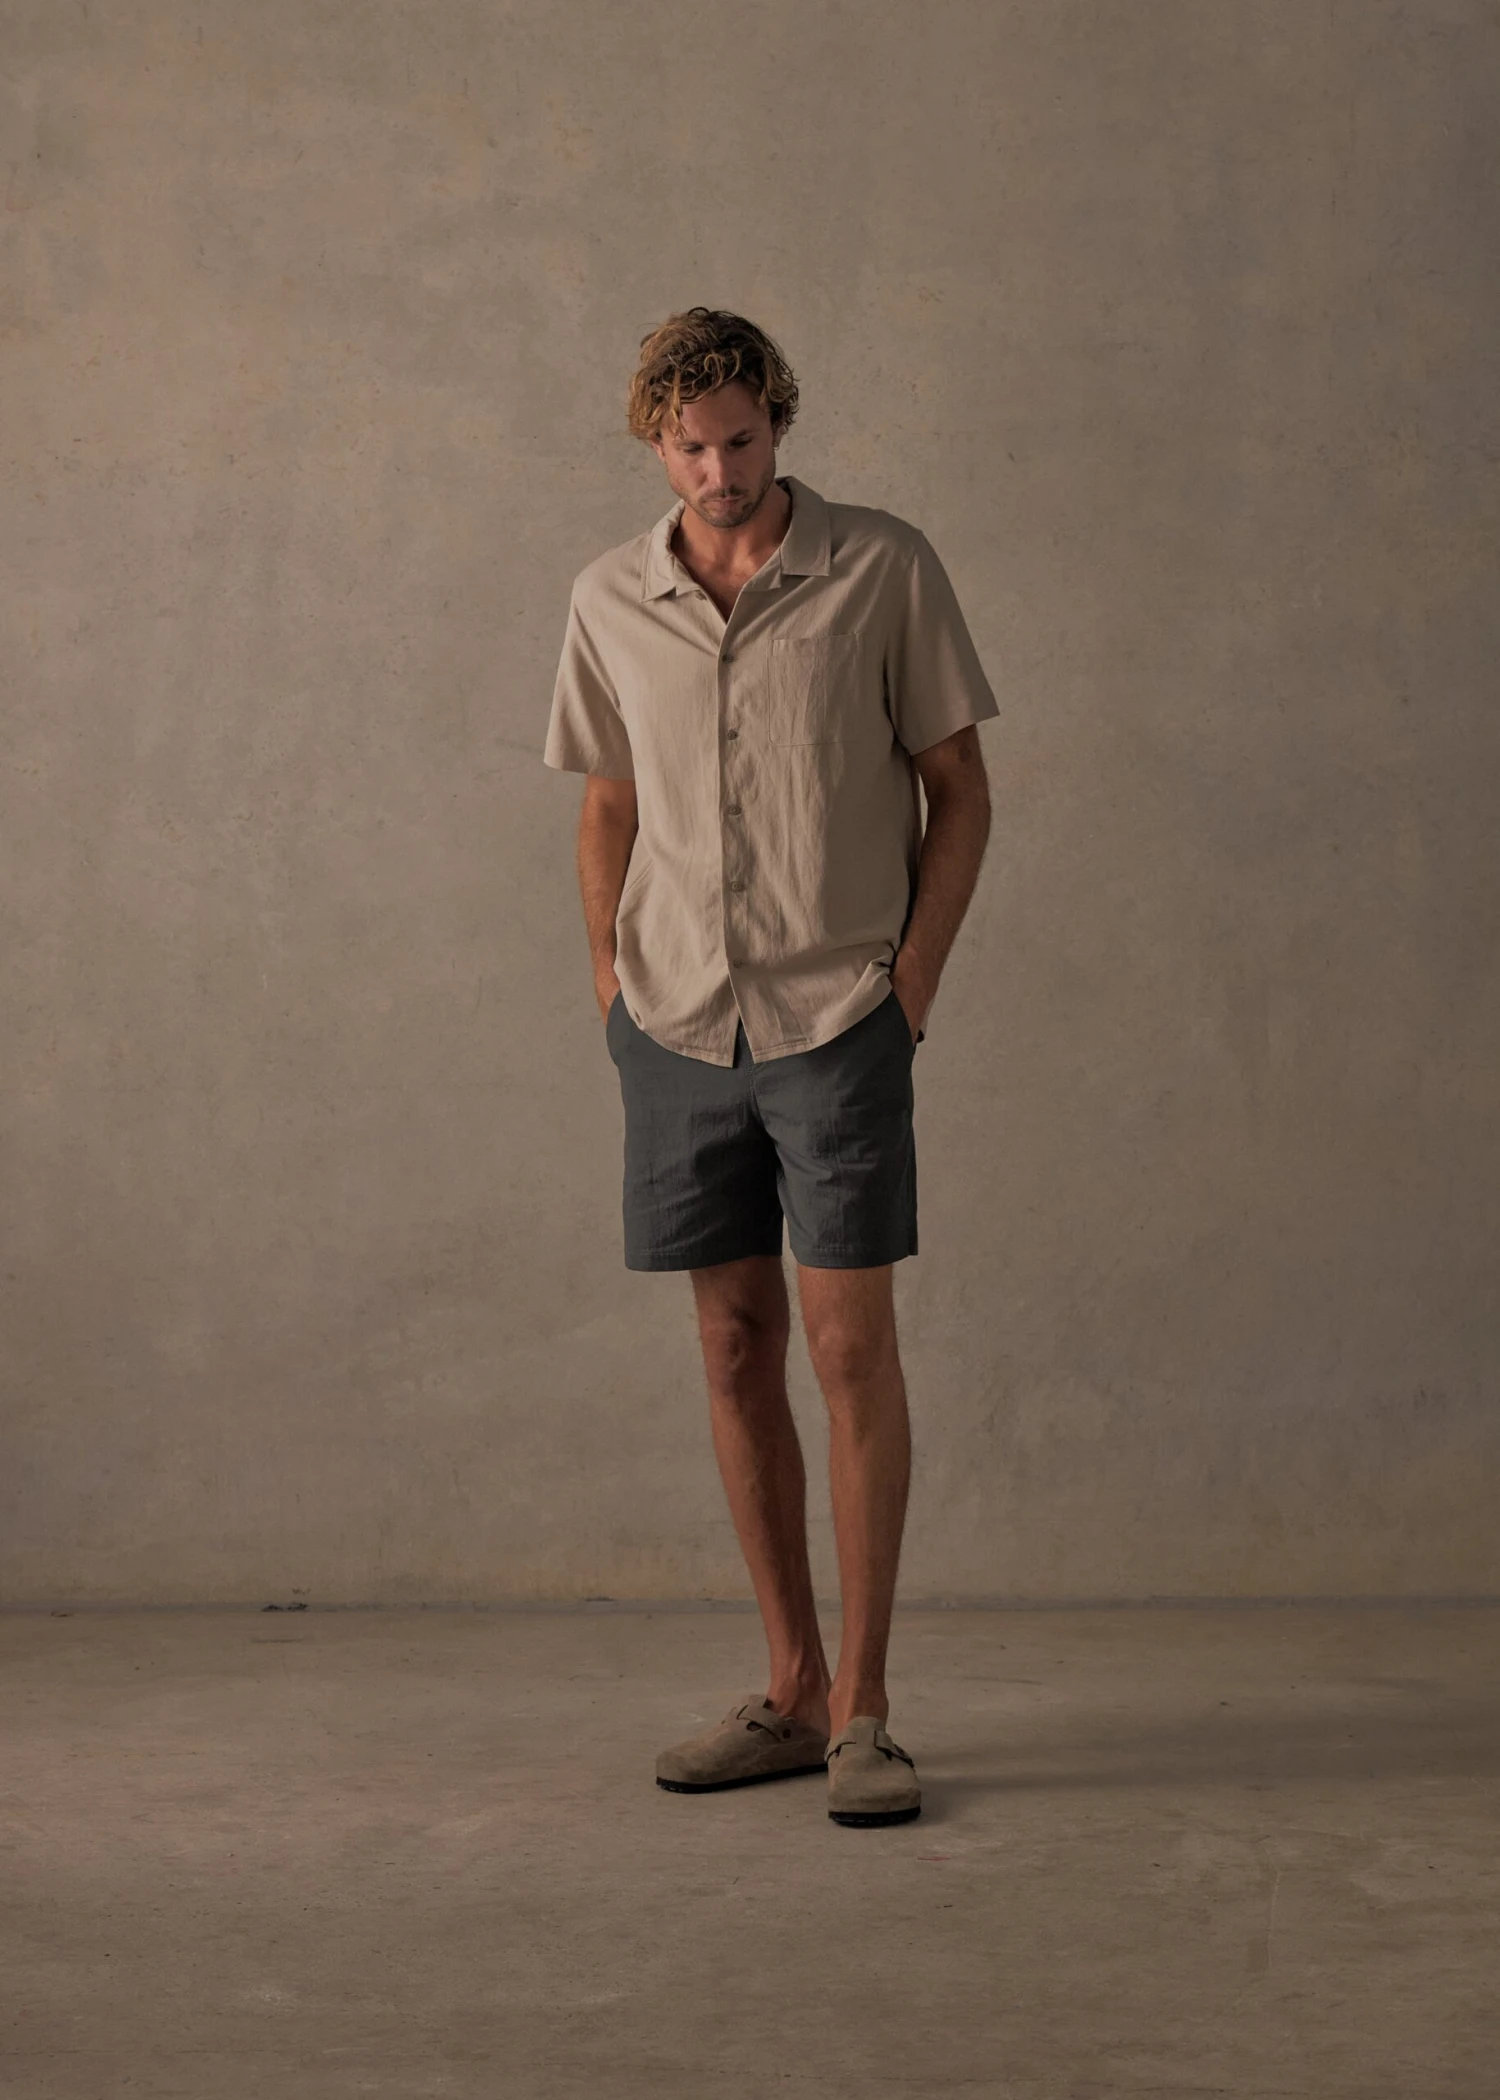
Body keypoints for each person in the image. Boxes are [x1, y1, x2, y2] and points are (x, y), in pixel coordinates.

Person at [543, 306, 997, 1828]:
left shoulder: (884, 570)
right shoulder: (608, 599)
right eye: (690, 447)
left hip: (836, 1018)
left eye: (740, 439)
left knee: (849, 1350)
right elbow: (609, 802)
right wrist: (609, 980)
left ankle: (866, 1712)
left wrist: (908, 988)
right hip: (675, 1023)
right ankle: (791, 1690)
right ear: (654, 443)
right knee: (734, 1346)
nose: (718, 471)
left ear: (778, 423)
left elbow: (959, 788)